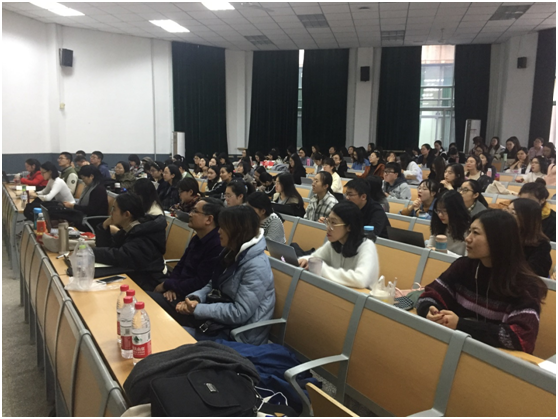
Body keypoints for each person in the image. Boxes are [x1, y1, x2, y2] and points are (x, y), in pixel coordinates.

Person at [417, 210, 547, 354]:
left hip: (493, 359)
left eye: (476, 233)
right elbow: (430, 295)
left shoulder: (524, 285)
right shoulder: (463, 266)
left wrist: (461, 325)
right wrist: (430, 310)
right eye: (469, 231)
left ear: (497, 239)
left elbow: (521, 338)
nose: (467, 238)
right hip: (453, 348)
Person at [178, 206, 275, 345]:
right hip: (218, 326)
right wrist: (196, 298)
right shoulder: (231, 252)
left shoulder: (257, 265)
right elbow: (213, 284)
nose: (218, 231)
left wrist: (198, 309)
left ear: (238, 230)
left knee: (176, 339)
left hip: (239, 337)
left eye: (223, 227)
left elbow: (240, 312)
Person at [148, 198, 224, 324]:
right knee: (145, 285)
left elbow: (201, 282)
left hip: (190, 302)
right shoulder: (198, 237)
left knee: (146, 300)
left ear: (209, 219)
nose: (190, 214)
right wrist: (171, 286)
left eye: (195, 211)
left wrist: (169, 285)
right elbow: (181, 265)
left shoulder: (217, 245)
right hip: (179, 288)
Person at [93, 193, 167, 291]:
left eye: (114, 209)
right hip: (131, 274)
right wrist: (104, 226)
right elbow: (109, 247)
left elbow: (121, 256)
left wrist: (91, 252)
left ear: (127, 214)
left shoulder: (143, 234)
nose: (111, 213)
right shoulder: (130, 228)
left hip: (147, 282)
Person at [298, 201, 379, 289]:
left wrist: (322, 269)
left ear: (349, 227)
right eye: (328, 221)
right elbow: (314, 257)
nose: (328, 228)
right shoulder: (335, 243)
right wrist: (305, 260)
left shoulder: (366, 246)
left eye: (333, 223)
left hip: (362, 295)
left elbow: (360, 280)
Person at [507, 199, 552, 278]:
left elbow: (532, 274)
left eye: (513, 213)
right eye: (507, 209)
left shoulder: (541, 245)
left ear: (527, 219)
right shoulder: (504, 234)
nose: (506, 215)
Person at [63, 165, 108, 230]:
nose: (83, 181)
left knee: (62, 216)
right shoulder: (91, 187)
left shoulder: (99, 190)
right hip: (85, 216)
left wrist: (73, 206)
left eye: (83, 178)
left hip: (91, 220)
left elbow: (91, 210)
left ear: (91, 176)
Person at [428, 190, 470, 255]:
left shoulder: (468, 230)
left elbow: (467, 258)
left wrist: (444, 252)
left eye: (444, 211)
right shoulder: (439, 225)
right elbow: (429, 247)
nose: (440, 215)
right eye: (438, 211)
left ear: (456, 210)